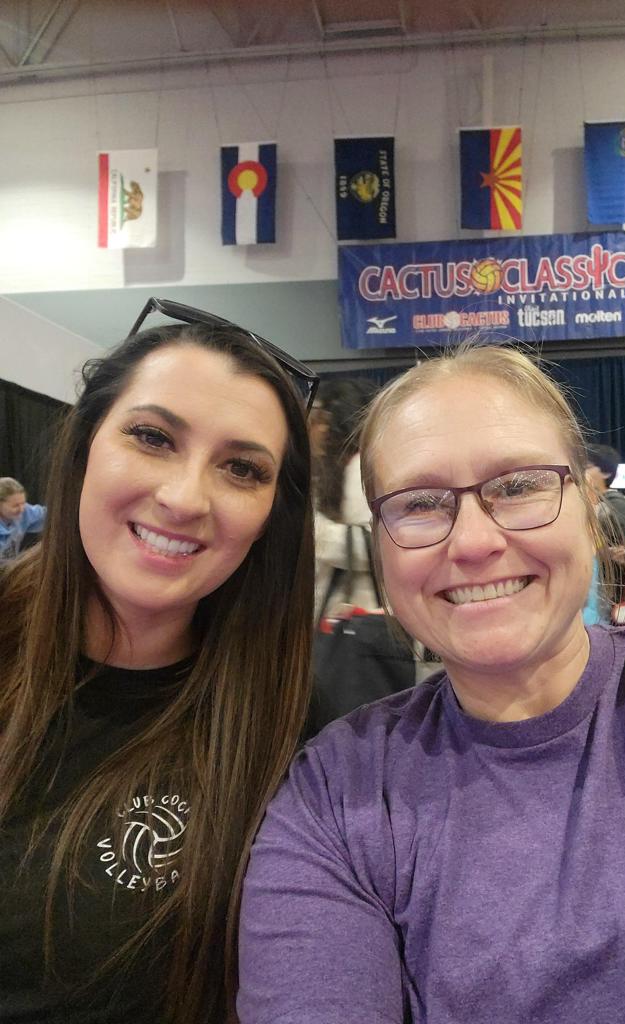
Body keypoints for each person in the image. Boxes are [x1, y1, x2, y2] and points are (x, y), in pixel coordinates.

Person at [238, 342, 625, 1024]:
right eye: (419, 503)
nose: (472, 543)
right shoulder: (340, 795)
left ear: (588, 506)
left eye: (517, 487)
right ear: (381, 544)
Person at [0, 308, 316, 1023]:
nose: (183, 498)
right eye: (152, 437)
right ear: (84, 446)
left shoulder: (294, 731)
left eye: (242, 468)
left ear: (273, 514)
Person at [311, 377, 379, 620]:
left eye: (322, 419)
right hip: (339, 612)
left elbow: (377, 546)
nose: (316, 428)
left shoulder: (360, 468)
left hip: (361, 613)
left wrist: (314, 534)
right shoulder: (331, 469)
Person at [584, 444, 625, 542]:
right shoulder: (587, 502)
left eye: (587, 467)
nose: (582, 472)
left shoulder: (616, 504)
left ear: (606, 472)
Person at [0, 476, 46, 559]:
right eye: (15, 506)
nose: (21, 509)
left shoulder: (24, 512)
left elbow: (47, 516)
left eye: (23, 503)